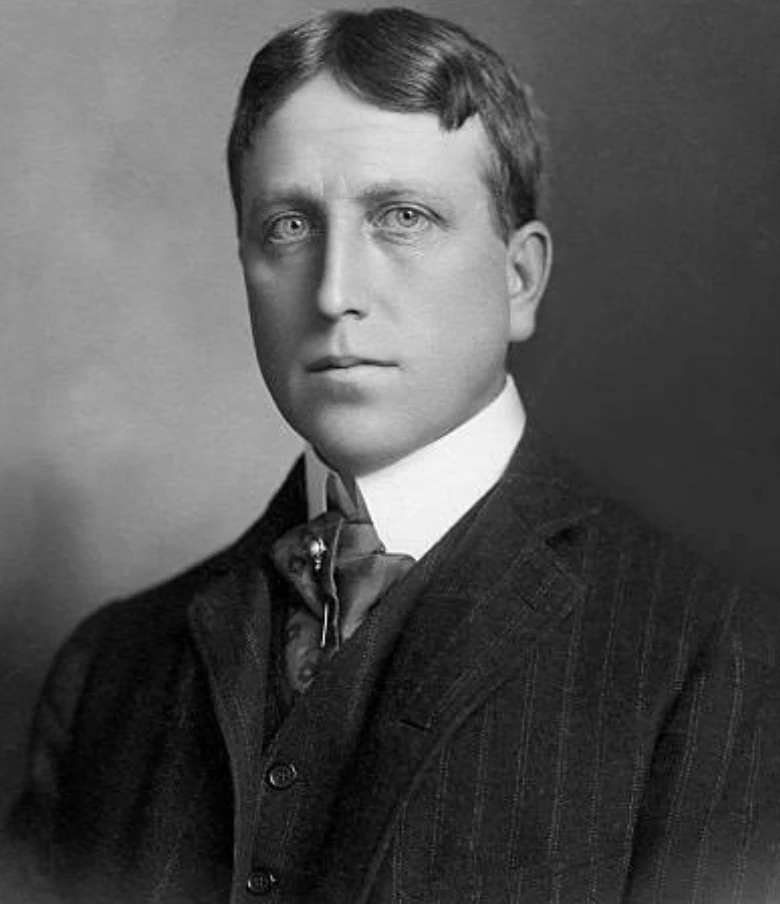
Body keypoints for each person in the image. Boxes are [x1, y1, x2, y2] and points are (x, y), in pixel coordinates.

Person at [6, 7, 780, 903]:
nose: (335, 292)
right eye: (289, 226)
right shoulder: (110, 673)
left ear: (519, 279)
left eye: (403, 217)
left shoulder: (715, 655)